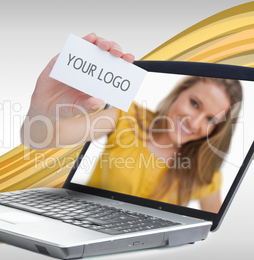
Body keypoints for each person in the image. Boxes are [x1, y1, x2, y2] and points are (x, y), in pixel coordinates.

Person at [20, 33, 242, 213]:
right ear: (179, 93)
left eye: (210, 119)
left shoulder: (205, 168)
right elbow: (39, 139)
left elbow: (211, 227)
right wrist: (42, 109)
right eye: (194, 103)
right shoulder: (127, 116)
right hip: (88, 224)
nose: (194, 122)